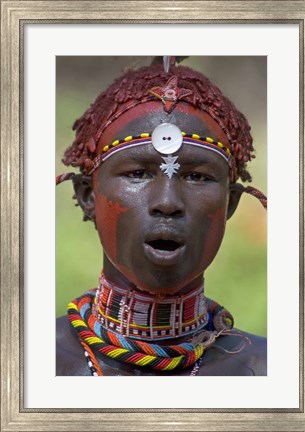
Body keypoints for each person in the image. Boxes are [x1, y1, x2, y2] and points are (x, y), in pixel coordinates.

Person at [56, 57, 267, 376]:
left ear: (230, 204)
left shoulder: (275, 372)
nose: (167, 202)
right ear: (88, 196)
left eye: (197, 177)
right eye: (138, 173)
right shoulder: (25, 363)